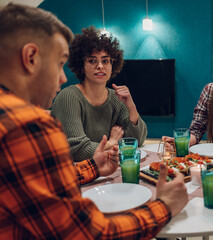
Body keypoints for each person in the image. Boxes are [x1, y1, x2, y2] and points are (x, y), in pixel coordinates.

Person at [0, 4, 187, 239]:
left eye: (105, 60)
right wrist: (164, 206)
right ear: (30, 57)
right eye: (59, 64)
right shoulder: (28, 126)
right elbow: (88, 232)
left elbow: (46, 184)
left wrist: (93, 166)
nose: (61, 79)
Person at [51, 26, 147, 162]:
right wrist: (112, 142)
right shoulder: (69, 97)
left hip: (105, 172)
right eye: (92, 60)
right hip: (74, 176)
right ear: (81, 65)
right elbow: (76, 150)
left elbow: (138, 140)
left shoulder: (116, 98)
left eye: (105, 60)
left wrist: (131, 107)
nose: (100, 66)